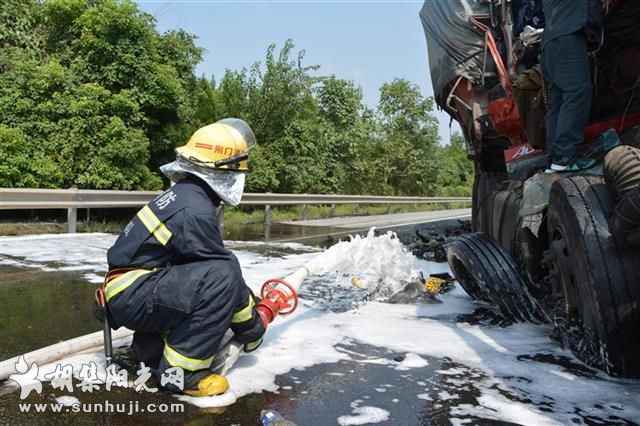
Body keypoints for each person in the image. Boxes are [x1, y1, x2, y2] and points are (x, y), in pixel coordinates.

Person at [103, 118, 265, 397]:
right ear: (222, 171)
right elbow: (222, 275)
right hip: (132, 293)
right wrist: (252, 327)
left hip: (131, 288)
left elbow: (189, 271)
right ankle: (183, 374)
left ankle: (148, 355)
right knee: (222, 274)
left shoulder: (185, 195)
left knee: (212, 273)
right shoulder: (195, 210)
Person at [542, 0, 603, 171]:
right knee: (577, 92)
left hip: (550, 41)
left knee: (558, 102)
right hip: (568, 36)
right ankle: (564, 158)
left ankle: (554, 161)